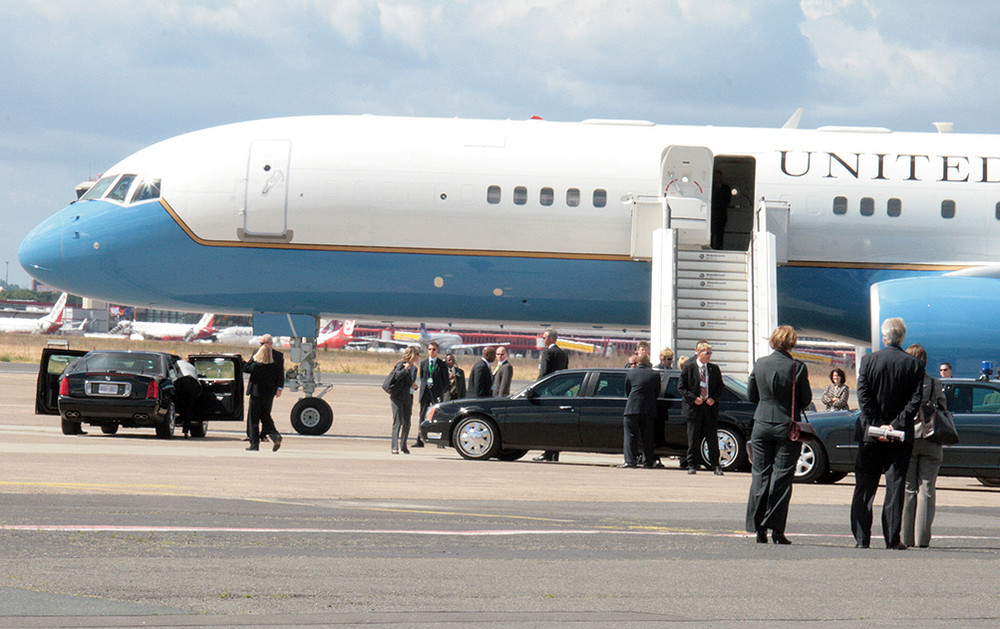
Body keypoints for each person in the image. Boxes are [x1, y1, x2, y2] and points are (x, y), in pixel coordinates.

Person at [850, 317, 924, 549]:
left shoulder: (868, 361)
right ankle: (892, 538)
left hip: (870, 435)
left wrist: (877, 423)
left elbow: (863, 396)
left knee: (864, 486)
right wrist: (895, 425)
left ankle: (862, 538)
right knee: (895, 487)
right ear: (903, 338)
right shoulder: (914, 365)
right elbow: (915, 400)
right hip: (899, 437)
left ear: (884, 338)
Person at [745, 326, 812, 544]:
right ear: (792, 343)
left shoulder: (760, 363)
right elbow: (805, 399)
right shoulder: (797, 366)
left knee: (760, 475)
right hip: (786, 424)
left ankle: (758, 527)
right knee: (782, 477)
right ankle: (776, 529)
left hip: (762, 422)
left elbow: (751, 395)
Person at [902, 343, 947, 548]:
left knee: (908, 489)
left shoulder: (902, 383)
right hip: (930, 439)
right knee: (927, 489)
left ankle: (905, 537)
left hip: (909, 439)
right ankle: (922, 539)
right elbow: (943, 408)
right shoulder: (934, 382)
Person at [678, 340, 723, 474]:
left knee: (712, 438)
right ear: (698, 353)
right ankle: (692, 464)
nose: (709, 356)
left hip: (709, 408)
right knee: (693, 438)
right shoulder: (689, 367)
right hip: (694, 408)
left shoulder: (713, 369)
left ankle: (716, 465)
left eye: (710, 353)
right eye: (706, 353)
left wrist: (713, 398)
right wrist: (693, 398)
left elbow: (720, 387)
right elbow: (681, 387)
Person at [243, 334, 284, 452]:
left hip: (257, 393)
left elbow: (245, 368)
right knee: (265, 417)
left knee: (253, 418)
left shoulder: (257, 365)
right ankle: (275, 436)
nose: (260, 346)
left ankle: (254, 444)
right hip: (269, 393)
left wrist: (280, 388)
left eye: (262, 344)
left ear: (268, 344)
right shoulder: (274, 365)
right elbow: (278, 373)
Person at [534, 329, 569, 462]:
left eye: (544, 337)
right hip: (561, 391)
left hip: (548, 392)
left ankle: (547, 452)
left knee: (546, 424)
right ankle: (554, 453)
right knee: (556, 424)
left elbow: (543, 373)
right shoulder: (563, 354)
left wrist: (535, 388)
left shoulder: (547, 353)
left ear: (551, 339)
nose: (542, 340)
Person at [621, 354, 660, 468]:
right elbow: (657, 391)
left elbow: (627, 390)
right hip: (648, 409)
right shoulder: (655, 374)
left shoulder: (630, 373)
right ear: (648, 363)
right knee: (647, 437)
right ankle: (648, 462)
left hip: (632, 408)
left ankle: (630, 461)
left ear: (637, 363)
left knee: (630, 436)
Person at [414, 341, 447, 448]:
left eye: (434, 350)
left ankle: (439, 441)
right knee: (422, 415)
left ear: (437, 351)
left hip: (436, 392)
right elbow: (423, 377)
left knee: (437, 416)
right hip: (425, 392)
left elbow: (445, 381)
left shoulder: (441, 364)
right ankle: (419, 439)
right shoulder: (424, 363)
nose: (431, 352)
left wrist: (440, 390)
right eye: (429, 349)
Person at [389, 346, 419, 454]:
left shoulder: (415, 368)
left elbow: (410, 382)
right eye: (417, 354)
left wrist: (413, 386)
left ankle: (403, 445)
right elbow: (397, 377)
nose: (418, 356)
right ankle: (394, 446)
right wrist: (405, 369)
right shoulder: (401, 364)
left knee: (407, 422)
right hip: (397, 396)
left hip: (408, 397)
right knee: (398, 421)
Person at [174, 358, 202, 438]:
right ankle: (186, 430)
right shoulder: (192, 367)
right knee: (189, 408)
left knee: (179, 403)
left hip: (181, 382)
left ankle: (179, 417)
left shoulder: (176, 363)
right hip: (193, 384)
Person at [711, 169, 732, 250]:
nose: (717, 179)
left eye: (718, 177)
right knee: (711, 232)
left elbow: (727, 201)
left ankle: (719, 248)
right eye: (716, 177)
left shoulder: (726, 188)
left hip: (721, 215)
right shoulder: (711, 188)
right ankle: (711, 247)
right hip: (712, 214)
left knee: (720, 233)